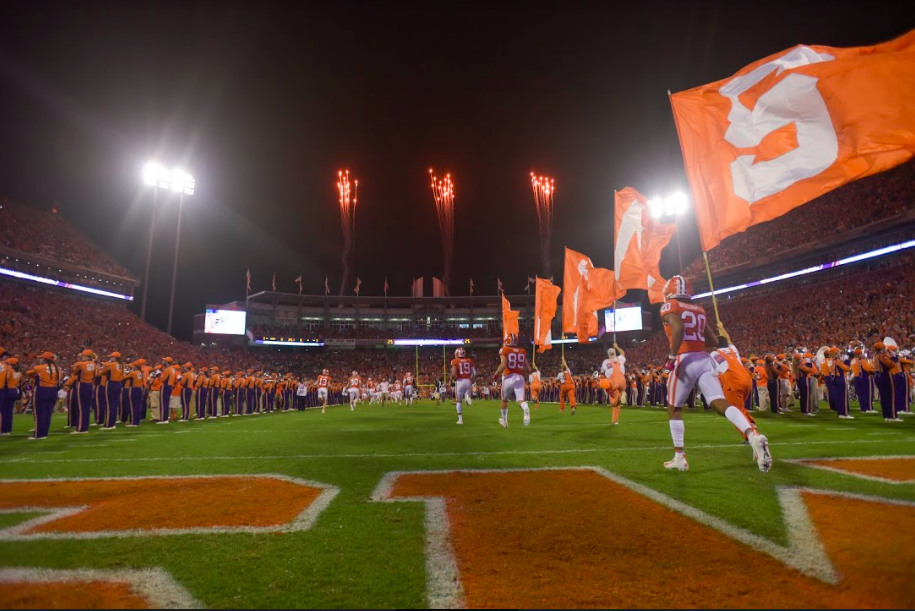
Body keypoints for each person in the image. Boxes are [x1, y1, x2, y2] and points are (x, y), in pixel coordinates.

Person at [659, 276, 771, 473]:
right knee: (719, 402)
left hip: (684, 359)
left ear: (669, 291)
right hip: (703, 359)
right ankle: (752, 435)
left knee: (674, 408)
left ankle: (679, 457)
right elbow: (712, 339)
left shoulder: (669, 306)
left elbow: (678, 327)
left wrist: (671, 356)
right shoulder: (699, 310)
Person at [711, 323, 757, 442]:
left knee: (735, 412)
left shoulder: (715, 354)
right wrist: (721, 327)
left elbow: (718, 370)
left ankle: (751, 436)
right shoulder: (733, 349)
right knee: (740, 408)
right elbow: (729, 339)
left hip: (733, 381)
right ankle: (750, 423)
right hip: (746, 379)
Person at [492, 333, 532, 427]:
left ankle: (505, 421)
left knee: (504, 400)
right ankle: (526, 409)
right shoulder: (522, 351)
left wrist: (496, 375)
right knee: (520, 400)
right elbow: (528, 368)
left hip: (508, 377)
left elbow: (503, 364)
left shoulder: (505, 349)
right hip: (520, 377)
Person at [26, 352, 60, 440]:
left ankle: (38, 434)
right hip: (53, 391)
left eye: (41, 358)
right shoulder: (57, 369)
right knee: (47, 414)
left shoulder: (39, 368)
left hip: (42, 390)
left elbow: (28, 373)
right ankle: (44, 433)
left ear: (45, 359)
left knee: (39, 413)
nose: (40, 359)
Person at [600, 342, 627, 425]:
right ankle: (615, 420)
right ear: (615, 353)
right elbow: (623, 353)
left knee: (613, 403)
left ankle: (618, 399)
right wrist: (617, 346)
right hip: (622, 382)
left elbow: (602, 372)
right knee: (617, 402)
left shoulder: (606, 362)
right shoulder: (620, 359)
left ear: (608, 355)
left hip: (613, 383)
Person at [451, 347, 476, 425]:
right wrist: (470, 378)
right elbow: (475, 373)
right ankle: (467, 398)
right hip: (468, 381)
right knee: (466, 399)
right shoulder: (469, 361)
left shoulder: (455, 361)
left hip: (460, 381)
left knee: (458, 400)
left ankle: (460, 420)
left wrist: (452, 378)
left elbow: (454, 374)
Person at [125, 359, 146, 427]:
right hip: (139, 389)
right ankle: (137, 422)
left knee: (132, 406)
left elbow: (124, 377)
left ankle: (133, 422)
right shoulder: (141, 372)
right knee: (137, 406)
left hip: (134, 389)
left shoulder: (133, 373)